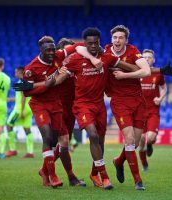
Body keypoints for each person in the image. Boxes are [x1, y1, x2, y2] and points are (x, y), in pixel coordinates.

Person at [63, 27, 151, 190]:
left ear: (126, 40)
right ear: (110, 40)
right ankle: (137, 181)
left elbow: (146, 71)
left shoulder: (125, 53)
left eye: (121, 38)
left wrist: (124, 74)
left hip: (137, 100)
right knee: (126, 139)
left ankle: (118, 162)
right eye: (115, 37)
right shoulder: (103, 51)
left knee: (135, 142)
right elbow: (77, 47)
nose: (117, 40)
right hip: (117, 102)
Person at [14, 36, 86, 188]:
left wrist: (96, 48)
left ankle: (46, 171)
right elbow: (25, 90)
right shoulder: (33, 68)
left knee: (62, 143)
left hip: (63, 107)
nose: (52, 53)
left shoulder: (71, 62)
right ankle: (57, 175)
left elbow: (79, 46)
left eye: (54, 50)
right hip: (43, 104)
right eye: (49, 50)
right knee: (49, 137)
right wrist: (48, 82)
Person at [138, 49, 167, 171]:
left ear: (153, 59)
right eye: (144, 57)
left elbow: (164, 88)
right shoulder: (137, 72)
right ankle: (144, 164)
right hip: (139, 112)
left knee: (149, 137)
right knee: (141, 141)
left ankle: (150, 144)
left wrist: (160, 98)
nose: (146, 59)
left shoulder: (158, 74)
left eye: (149, 57)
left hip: (153, 111)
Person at [5, 66, 34, 158]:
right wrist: (10, 99)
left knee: (9, 125)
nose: (15, 74)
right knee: (27, 129)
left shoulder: (21, 82)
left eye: (16, 72)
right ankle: (30, 152)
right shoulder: (27, 82)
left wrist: (21, 111)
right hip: (28, 109)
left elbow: (23, 97)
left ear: (20, 72)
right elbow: (21, 97)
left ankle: (12, 150)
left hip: (19, 110)